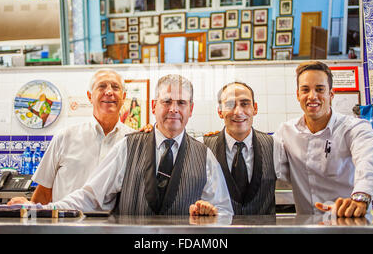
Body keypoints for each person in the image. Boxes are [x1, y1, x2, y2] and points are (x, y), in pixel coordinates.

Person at [12, 74, 233, 216]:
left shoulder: (204, 155)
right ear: (154, 106)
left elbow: (224, 210)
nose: (173, 108)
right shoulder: (127, 146)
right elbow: (91, 196)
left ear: (191, 109)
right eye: (167, 101)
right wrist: (41, 209)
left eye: (181, 103)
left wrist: (210, 214)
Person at [273, 61, 373, 218]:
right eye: (305, 90)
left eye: (320, 89)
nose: (312, 96)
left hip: (350, 222)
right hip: (307, 226)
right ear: (298, 95)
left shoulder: (355, 128)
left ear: (331, 94)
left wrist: (360, 198)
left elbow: (369, 164)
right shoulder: (286, 131)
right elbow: (274, 168)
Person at [9, 70, 134, 205]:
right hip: (66, 223)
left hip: (113, 224)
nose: (109, 92)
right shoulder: (65, 137)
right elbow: (44, 192)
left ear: (124, 96)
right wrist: (32, 213)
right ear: (89, 96)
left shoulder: (133, 141)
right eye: (102, 86)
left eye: (115, 87)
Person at [202, 82, 276, 215]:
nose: (238, 112)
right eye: (230, 105)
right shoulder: (203, 148)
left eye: (245, 103)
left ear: (255, 108)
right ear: (220, 111)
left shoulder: (275, 146)